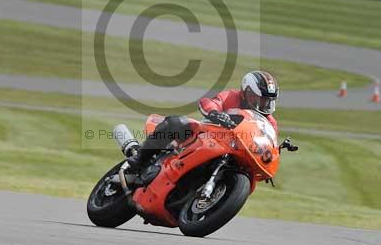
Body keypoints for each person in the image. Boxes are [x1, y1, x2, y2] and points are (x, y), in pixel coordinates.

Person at [125, 70, 297, 173]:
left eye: (267, 100)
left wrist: (275, 152)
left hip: (237, 151)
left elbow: (269, 144)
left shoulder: (270, 123)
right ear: (246, 92)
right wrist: (215, 113)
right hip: (207, 135)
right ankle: (140, 158)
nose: (263, 104)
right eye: (258, 98)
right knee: (177, 123)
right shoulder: (232, 96)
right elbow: (210, 102)